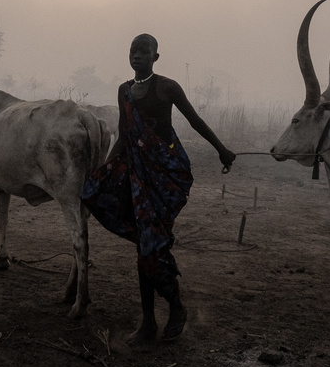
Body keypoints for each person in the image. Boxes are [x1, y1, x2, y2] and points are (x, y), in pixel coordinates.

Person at [82, 33, 236, 343]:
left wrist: (221, 149)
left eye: (144, 51)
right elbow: (124, 137)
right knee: (146, 245)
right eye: (133, 51)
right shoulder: (124, 92)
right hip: (136, 177)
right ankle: (150, 321)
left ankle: (174, 307)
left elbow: (194, 121)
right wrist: (104, 173)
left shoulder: (167, 87)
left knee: (149, 246)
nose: (137, 56)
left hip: (166, 176)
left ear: (156, 57)